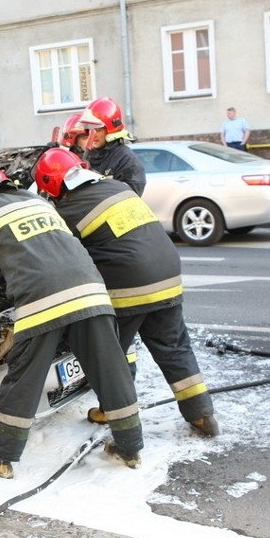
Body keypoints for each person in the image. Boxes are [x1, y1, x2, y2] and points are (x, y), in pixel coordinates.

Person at [0, 166, 144, 478]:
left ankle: (2, 459)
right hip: (91, 292)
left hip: (42, 302)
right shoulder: (40, 202)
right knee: (111, 371)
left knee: (24, 380)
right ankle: (130, 448)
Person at [34, 148, 219, 437]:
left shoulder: (66, 210)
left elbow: (60, 258)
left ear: (52, 185)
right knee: (173, 346)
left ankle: (115, 413)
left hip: (129, 284)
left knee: (112, 353)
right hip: (168, 274)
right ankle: (201, 414)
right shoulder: (117, 187)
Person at [79, 97, 146, 196]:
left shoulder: (126, 159)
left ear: (110, 130)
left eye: (97, 129)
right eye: (89, 130)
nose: (93, 135)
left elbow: (130, 196)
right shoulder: (88, 156)